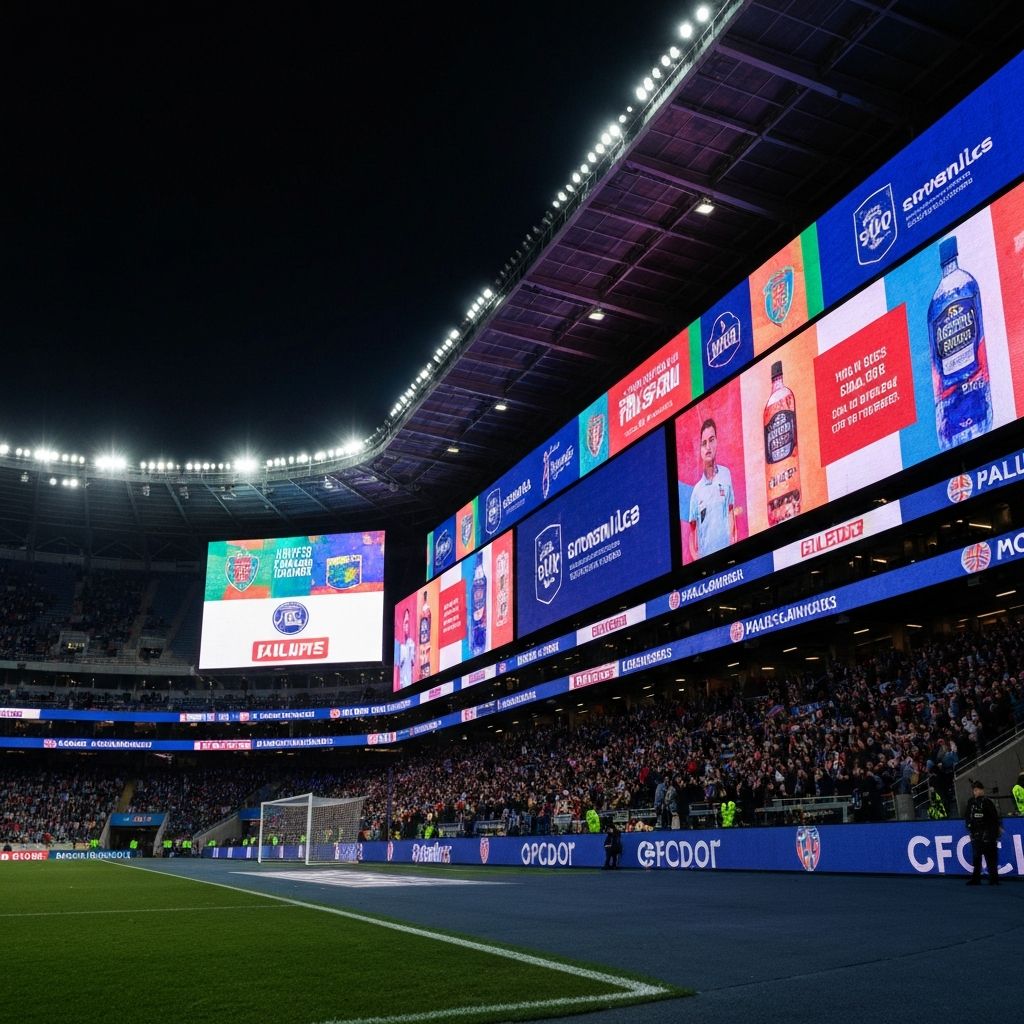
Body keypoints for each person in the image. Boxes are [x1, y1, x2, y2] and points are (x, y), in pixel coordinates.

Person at [687, 418, 740, 560]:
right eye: (704, 443)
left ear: (716, 441)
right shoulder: (696, 492)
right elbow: (692, 533)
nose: (708, 447)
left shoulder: (726, 474)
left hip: (728, 557)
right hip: (708, 564)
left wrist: (733, 543)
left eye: (711, 440)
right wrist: (697, 560)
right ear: (700, 450)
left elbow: (730, 511)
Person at [963, 780, 1002, 886]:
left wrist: (992, 833)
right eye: (974, 790)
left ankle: (994, 879)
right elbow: (967, 816)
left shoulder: (987, 802)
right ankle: (976, 879)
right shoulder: (971, 802)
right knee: (977, 858)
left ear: (982, 790)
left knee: (991, 859)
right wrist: (969, 827)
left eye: (977, 790)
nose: (975, 792)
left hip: (988, 835)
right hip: (976, 835)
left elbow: (994, 819)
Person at [397, 608, 416, 688]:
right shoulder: (398, 646)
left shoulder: (411, 643)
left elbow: (413, 662)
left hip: (409, 684)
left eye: (408, 623)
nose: (407, 626)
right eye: (405, 623)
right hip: (401, 687)